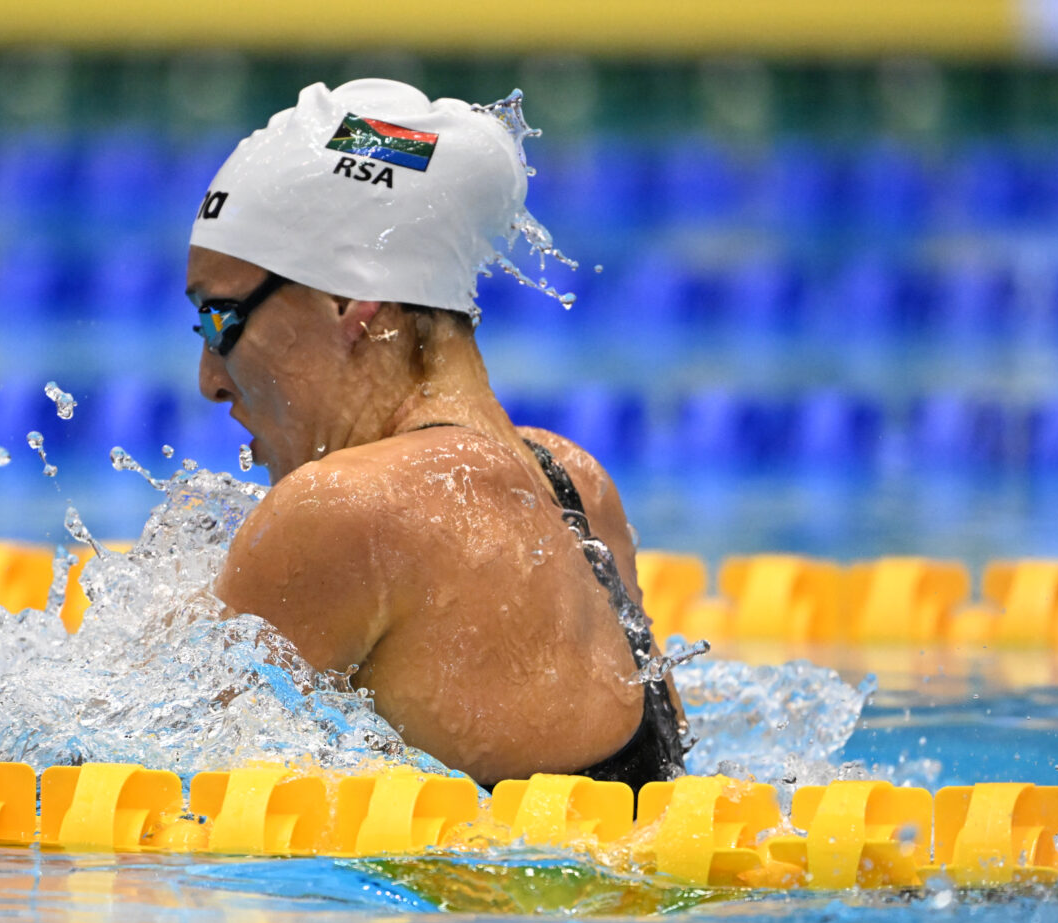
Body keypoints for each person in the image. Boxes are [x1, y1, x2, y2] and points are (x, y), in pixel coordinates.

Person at [185, 78, 687, 790]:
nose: (209, 376)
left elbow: (152, 798)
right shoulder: (576, 481)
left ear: (345, 302)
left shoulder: (339, 512)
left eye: (220, 319)